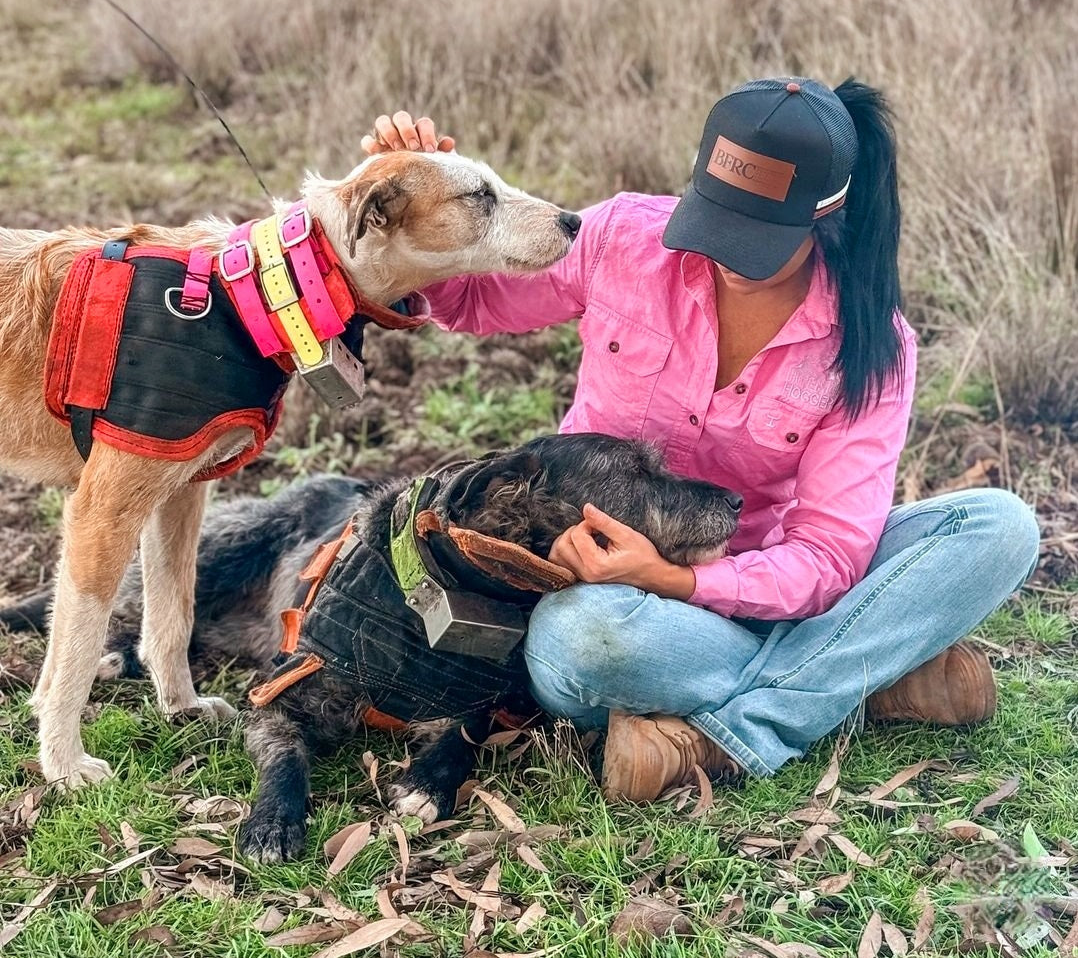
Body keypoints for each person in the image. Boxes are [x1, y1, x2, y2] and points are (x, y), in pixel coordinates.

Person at [359, 78, 1041, 803]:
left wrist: (679, 581)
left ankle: (735, 732)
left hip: (759, 581)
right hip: (606, 594)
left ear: (824, 218)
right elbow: (470, 302)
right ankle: (864, 676)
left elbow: (829, 555)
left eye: (757, 241)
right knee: (573, 641)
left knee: (997, 527)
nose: (726, 257)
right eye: (715, 224)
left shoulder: (872, 344)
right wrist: (420, 205)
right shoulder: (624, 238)